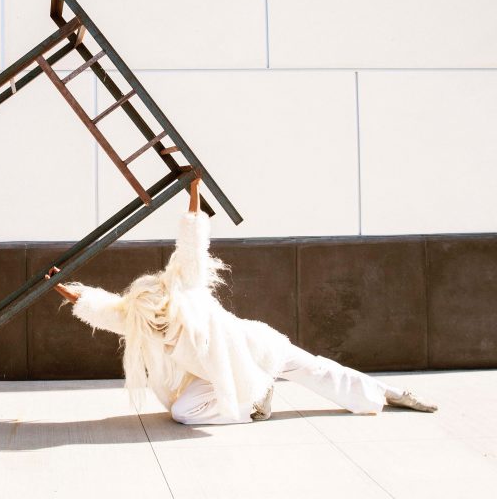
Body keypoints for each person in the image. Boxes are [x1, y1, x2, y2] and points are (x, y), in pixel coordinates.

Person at [47, 179, 436, 425]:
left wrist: (195, 193)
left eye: (164, 320)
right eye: (156, 325)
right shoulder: (141, 319)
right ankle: (254, 400)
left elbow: (191, 246)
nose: (161, 329)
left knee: (316, 371)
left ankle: (385, 393)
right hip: (219, 375)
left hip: (257, 347)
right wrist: (71, 293)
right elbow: (108, 311)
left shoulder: (187, 291)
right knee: (182, 413)